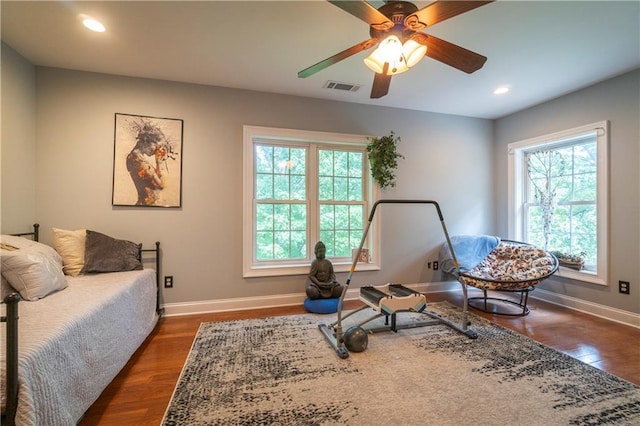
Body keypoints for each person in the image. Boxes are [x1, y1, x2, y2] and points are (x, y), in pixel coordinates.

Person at [126, 123, 166, 205]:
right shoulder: (137, 161)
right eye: (156, 146)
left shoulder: (135, 157)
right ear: (147, 142)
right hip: (146, 205)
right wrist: (159, 162)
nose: (157, 150)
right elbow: (161, 185)